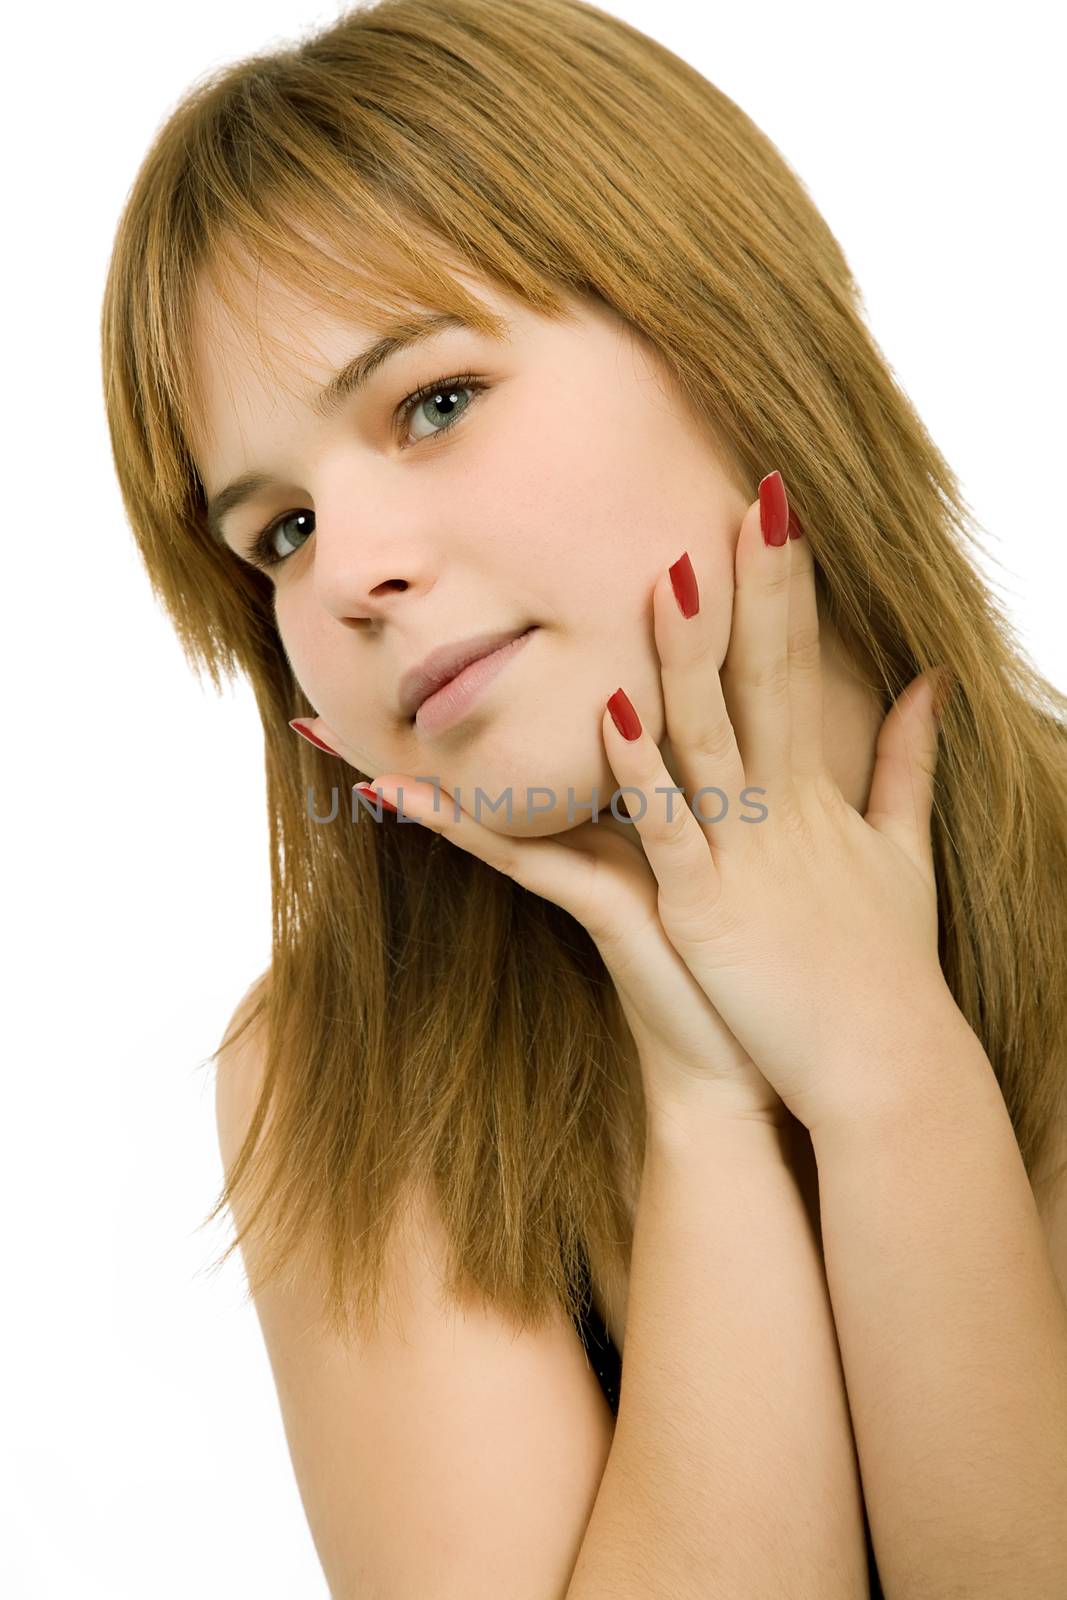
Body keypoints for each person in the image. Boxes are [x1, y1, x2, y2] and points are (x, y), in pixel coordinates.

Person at [99, 1, 1067, 1594]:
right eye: (274, 533)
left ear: (727, 330)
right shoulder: (340, 1067)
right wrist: (706, 1103)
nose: (347, 574)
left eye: (431, 402)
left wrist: (890, 1070)